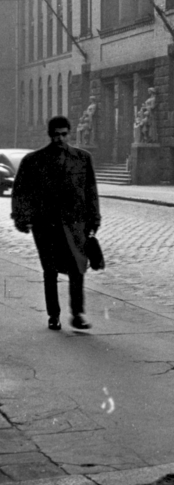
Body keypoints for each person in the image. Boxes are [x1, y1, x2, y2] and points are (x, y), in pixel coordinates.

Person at [11, 115, 101, 330]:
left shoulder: (82, 158)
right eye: (56, 135)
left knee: (77, 268)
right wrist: (21, 217)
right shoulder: (34, 160)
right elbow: (20, 191)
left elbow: (90, 191)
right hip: (45, 225)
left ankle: (77, 314)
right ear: (50, 135)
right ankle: (54, 315)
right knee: (50, 270)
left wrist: (94, 219)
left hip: (75, 223)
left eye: (64, 134)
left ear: (69, 134)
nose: (60, 138)